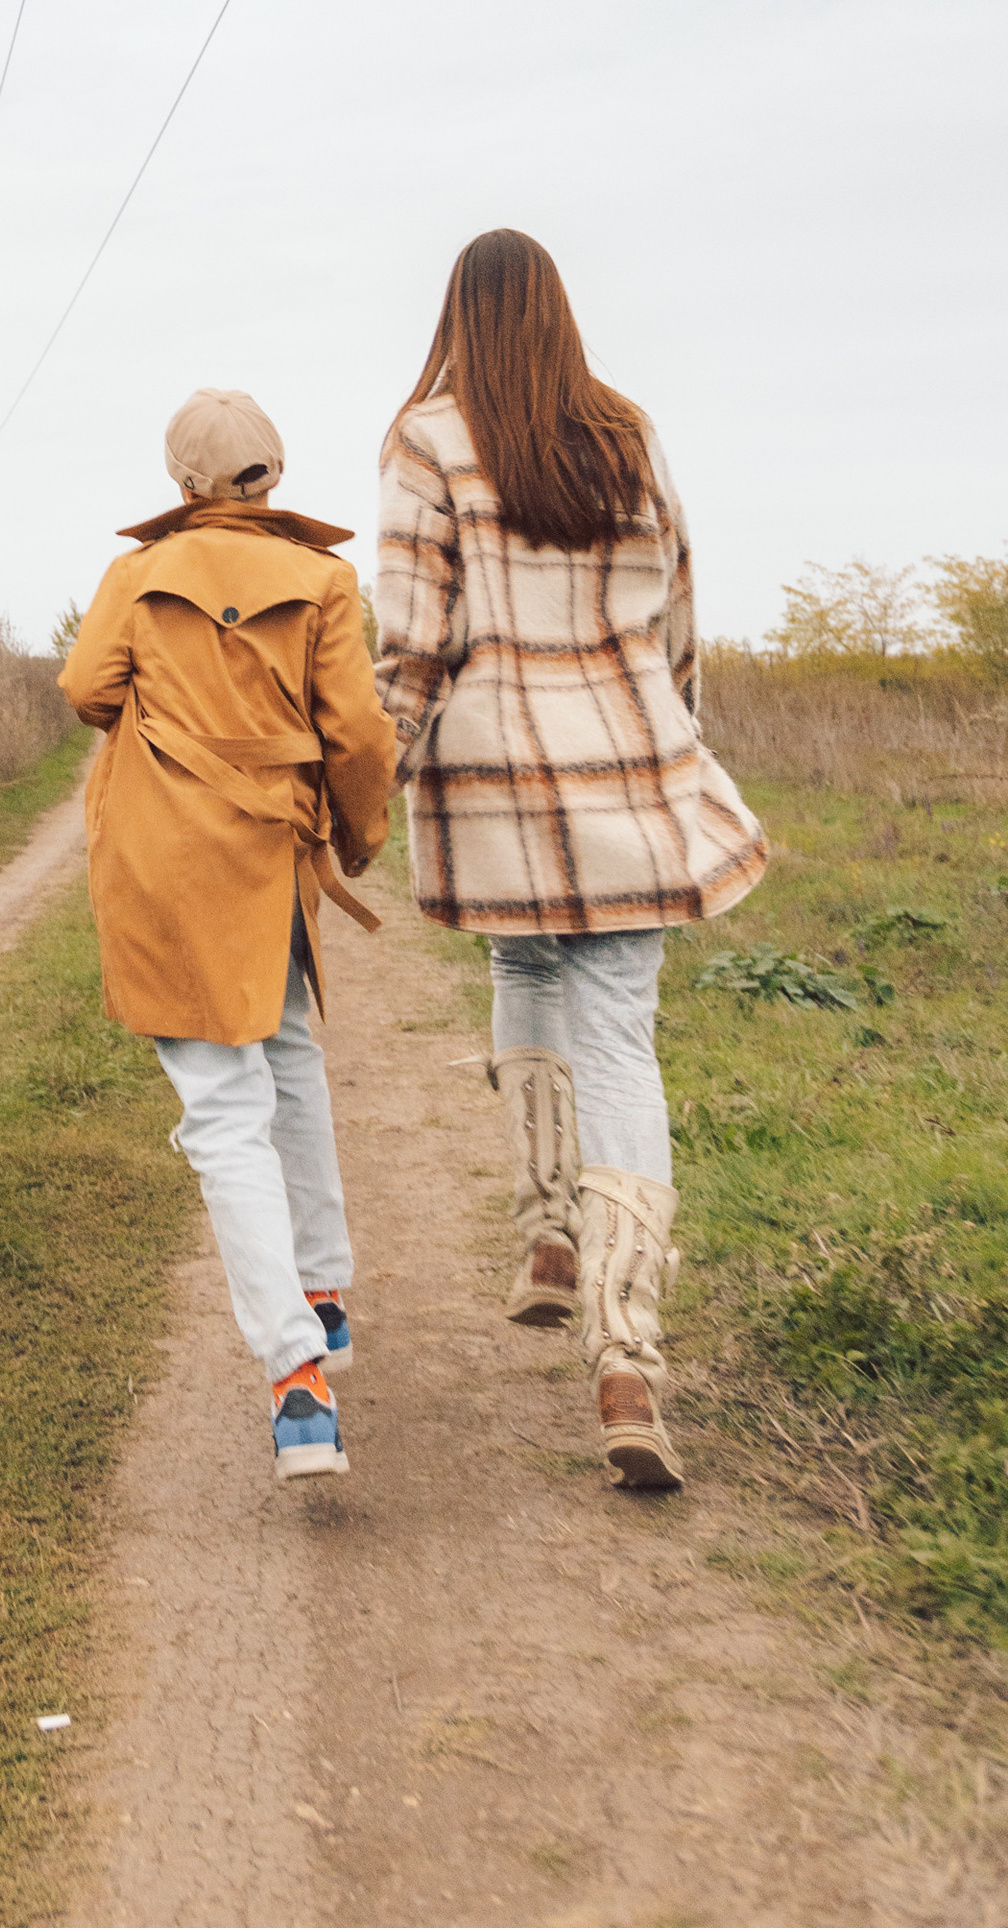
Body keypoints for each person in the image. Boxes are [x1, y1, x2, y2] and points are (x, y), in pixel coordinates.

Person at [375, 228, 767, 1495]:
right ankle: (625, 1356)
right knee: (623, 1045)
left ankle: (546, 1228)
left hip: (497, 784)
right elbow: (681, 612)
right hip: (624, 770)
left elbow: (409, 644)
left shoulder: (427, 439)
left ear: (459, 316)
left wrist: (362, 788)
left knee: (522, 961)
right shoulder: (625, 433)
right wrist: (671, 737)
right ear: (557, 314)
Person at [60, 388, 394, 1486]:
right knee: (290, 1050)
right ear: (273, 470)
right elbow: (354, 732)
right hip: (273, 859)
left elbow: (85, 688)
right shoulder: (325, 581)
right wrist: (358, 836)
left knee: (220, 1108)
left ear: (181, 483)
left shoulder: (135, 576)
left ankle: (295, 1379)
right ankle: (324, 1292)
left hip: (163, 861)